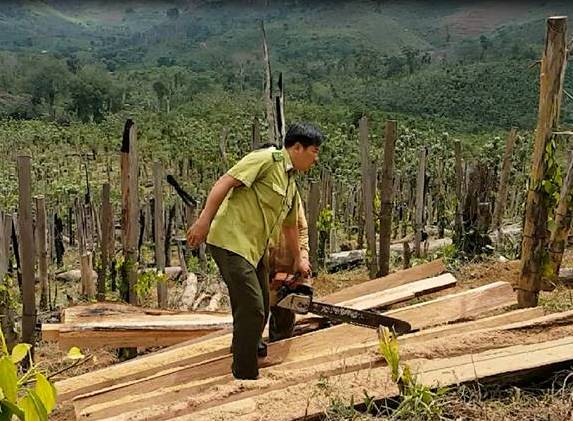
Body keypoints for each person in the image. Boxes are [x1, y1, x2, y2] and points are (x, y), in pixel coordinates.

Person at [186, 122, 323, 380]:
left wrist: (299, 260)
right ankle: (245, 374)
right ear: (297, 147)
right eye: (314, 151)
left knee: (260, 305)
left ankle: (244, 351)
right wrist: (204, 221)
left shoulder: (291, 185)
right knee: (252, 307)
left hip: (254, 251)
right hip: (231, 241)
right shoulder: (266, 160)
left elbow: (291, 226)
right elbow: (225, 181)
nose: (316, 158)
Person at [268, 200, 309, 342]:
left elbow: (301, 229)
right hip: (263, 263)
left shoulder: (292, 194)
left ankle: (277, 350)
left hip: (288, 262)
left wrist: (303, 257)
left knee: (283, 316)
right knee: (253, 313)